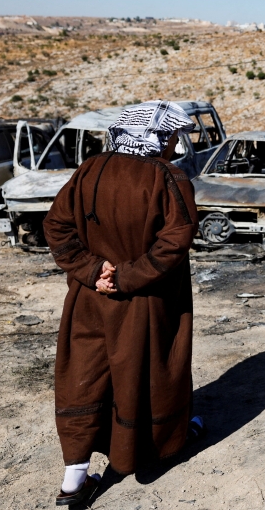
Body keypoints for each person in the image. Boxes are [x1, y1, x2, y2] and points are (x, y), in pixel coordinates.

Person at [43, 100, 203, 506]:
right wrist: (127, 277)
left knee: (85, 375)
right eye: (170, 137)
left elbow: (56, 226)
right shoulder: (168, 178)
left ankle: (73, 482)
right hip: (146, 302)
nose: (173, 145)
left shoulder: (89, 169)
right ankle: (158, 446)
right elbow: (174, 242)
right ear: (158, 138)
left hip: (88, 298)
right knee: (148, 374)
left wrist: (93, 270)